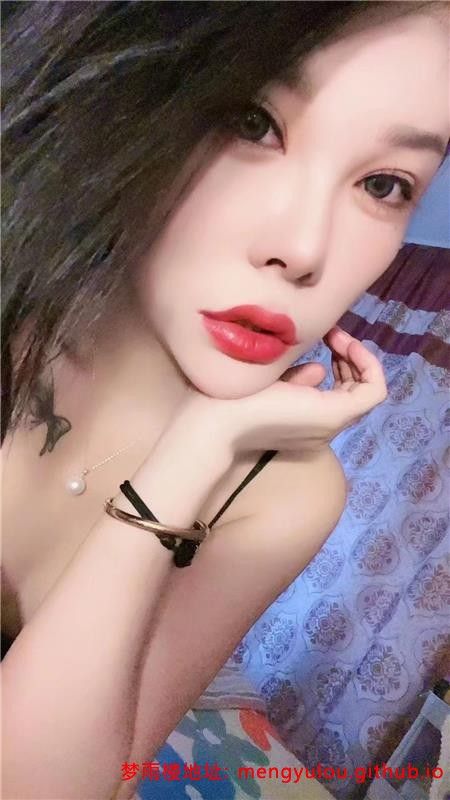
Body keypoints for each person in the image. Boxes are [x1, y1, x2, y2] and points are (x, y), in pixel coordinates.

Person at [1, 2, 449, 799]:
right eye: (253, 123)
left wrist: (192, 456)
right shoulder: (14, 300)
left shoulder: (284, 491)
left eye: (384, 184)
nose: (303, 249)